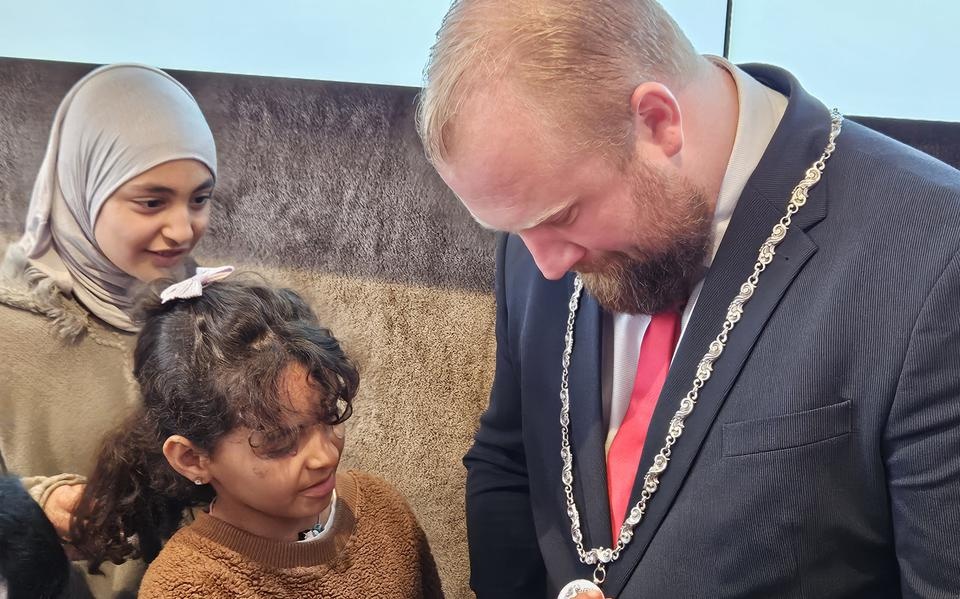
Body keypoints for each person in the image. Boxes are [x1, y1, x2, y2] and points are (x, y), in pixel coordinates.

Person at [417, 1, 960, 598]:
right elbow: (510, 458)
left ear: (656, 120)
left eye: (564, 216)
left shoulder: (934, 252)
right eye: (514, 230)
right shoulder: (538, 217)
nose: (545, 266)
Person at [68, 276, 444, 599]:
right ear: (192, 458)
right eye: (279, 440)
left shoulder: (381, 509)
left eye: (328, 415)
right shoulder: (188, 586)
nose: (324, 456)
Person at [0, 63, 217, 597]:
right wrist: (39, 502)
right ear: (84, 186)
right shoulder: (11, 326)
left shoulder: (202, 309)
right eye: (152, 201)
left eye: (200, 198)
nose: (183, 228)